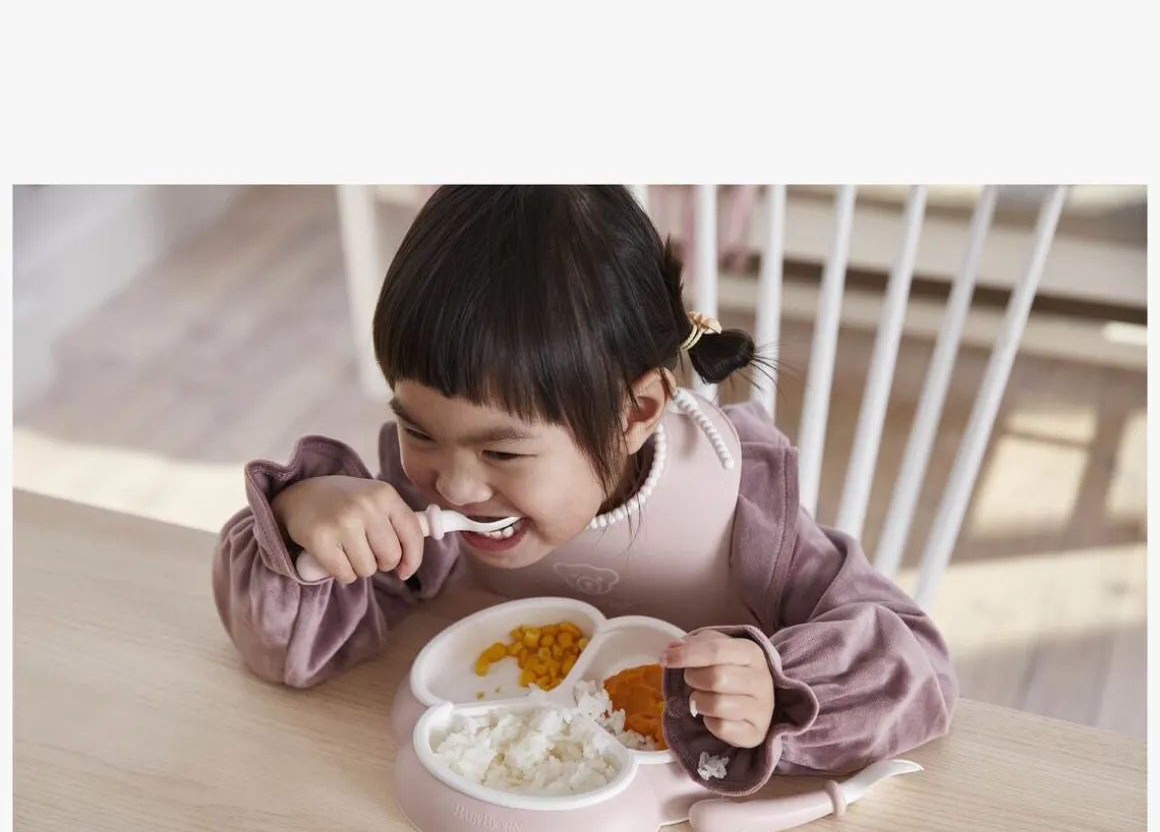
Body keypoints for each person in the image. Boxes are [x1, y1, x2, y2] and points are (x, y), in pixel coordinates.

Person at [213, 185, 957, 796]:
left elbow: (918, 666)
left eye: (502, 450)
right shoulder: (419, 496)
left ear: (635, 413)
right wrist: (302, 518)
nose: (456, 485)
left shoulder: (743, 508)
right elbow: (283, 651)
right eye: (418, 430)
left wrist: (777, 689)